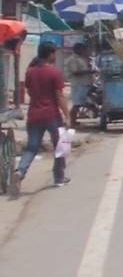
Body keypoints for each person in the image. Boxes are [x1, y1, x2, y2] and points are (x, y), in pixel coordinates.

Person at [11, 42, 71, 197]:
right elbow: (59, 96)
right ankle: (59, 177)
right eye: (54, 53)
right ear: (50, 54)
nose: (55, 56)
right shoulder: (55, 73)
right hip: (52, 115)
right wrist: (67, 115)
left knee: (31, 148)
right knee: (60, 146)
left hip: (34, 115)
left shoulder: (30, 72)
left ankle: (20, 171)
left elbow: (30, 92)